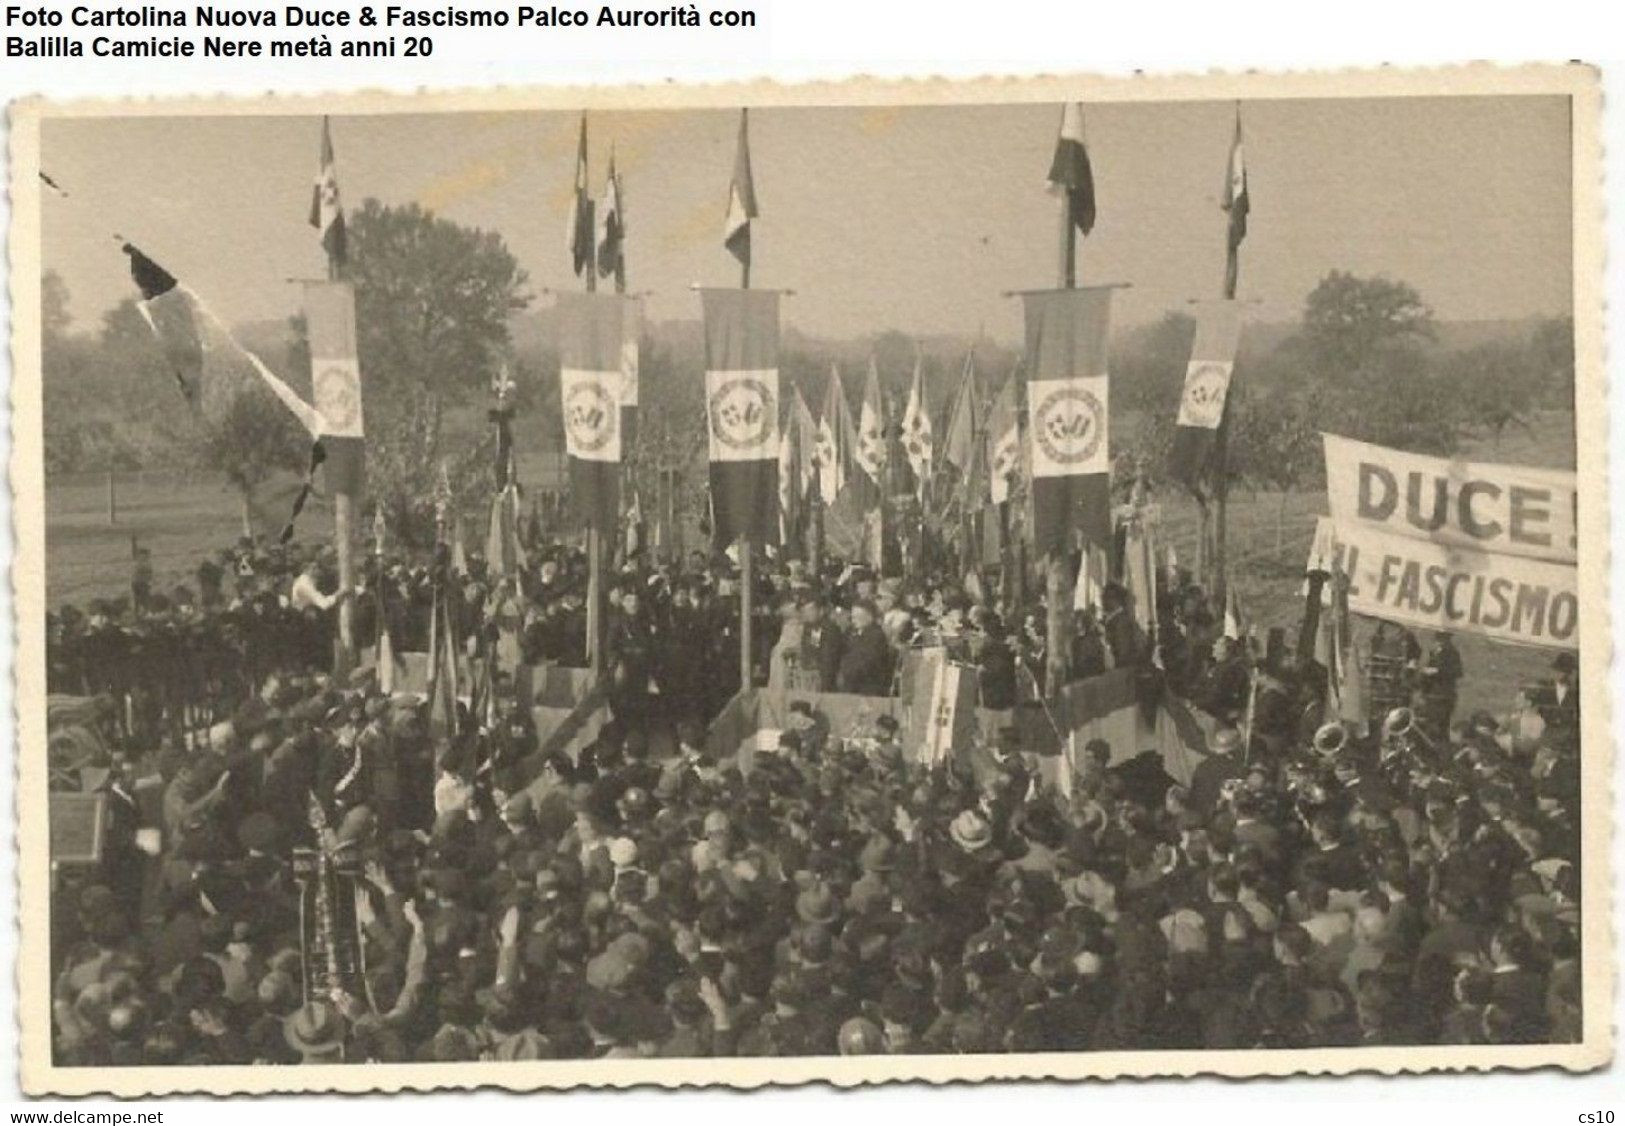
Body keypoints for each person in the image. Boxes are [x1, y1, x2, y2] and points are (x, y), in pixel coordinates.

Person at [836, 601, 893, 697]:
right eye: (853, 617)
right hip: (852, 682)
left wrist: (846, 671)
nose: (853, 620)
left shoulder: (876, 635)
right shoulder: (851, 632)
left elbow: (867, 662)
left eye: (857, 617)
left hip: (869, 686)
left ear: (869, 617)